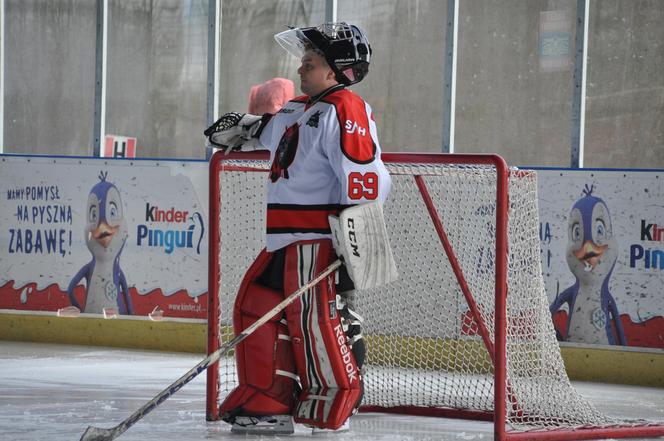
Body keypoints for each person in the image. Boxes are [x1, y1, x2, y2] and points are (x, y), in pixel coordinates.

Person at [204, 22, 391, 434]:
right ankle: (269, 401)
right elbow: (266, 133)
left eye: (311, 62)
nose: (301, 68)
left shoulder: (346, 109)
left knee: (316, 321)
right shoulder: (299, 108)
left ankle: (336, 401)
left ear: (336, 70)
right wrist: (244, 129)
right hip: (283, 240)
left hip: (317, 241)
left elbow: (365, 177)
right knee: (256, 305)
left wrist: (352, 244)